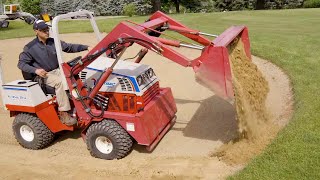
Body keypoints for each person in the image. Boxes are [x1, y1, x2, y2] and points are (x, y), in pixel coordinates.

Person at [18, 20, 90, 126]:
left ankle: (83, 102)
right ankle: (64, 112)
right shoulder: (30, 48)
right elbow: (21, 64)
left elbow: (69, 47)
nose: (46, 32)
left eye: (47, 29)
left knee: (73, 75)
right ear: (36, 31)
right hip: (43, 75)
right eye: (43, 30)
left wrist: (86, 47)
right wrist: (36, 70)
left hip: (56, 70)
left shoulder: (53, 42)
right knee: (60, 82)